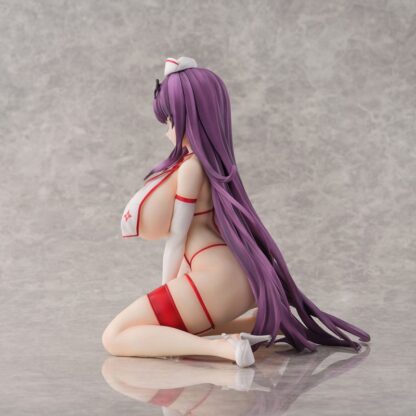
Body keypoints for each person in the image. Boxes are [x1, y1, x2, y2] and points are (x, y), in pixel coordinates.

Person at [102, 56, 370, 368]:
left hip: (212, 279)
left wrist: (165, 286)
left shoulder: (191, 168)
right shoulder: (210, 163)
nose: (167, 132)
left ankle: (226, 349)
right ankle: (256, 326)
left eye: (171, 121)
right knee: (169, 328)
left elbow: (177, 238)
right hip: (228, 275)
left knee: (114, 336)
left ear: (192, 117)